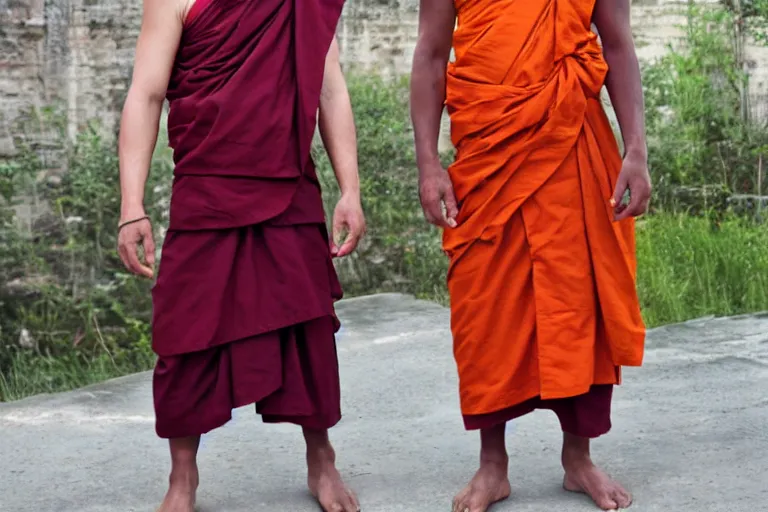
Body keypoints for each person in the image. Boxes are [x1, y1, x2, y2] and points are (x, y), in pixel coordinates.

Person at [116, 0, 365, 510]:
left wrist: (350, 189)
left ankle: (322, 460)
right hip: (206, 186)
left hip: (288, 181)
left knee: (309, 323)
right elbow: (146, 94)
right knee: (185, 333)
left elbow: (329, 86)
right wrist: (131, 205)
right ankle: (182, 477)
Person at [411, 0, 650, 510]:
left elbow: (618, 43)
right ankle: (492, 465)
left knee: (578, 298)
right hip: (487, 148)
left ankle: (578, 459)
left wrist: (636, 151)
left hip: (572, 140)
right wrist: (428, 163)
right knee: (484, 307)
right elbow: (430, 55)